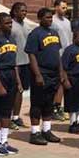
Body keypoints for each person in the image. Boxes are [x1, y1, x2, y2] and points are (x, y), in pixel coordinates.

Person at [25, 8, 65, 145]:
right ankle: (35, 132)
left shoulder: (54, 33)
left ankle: (46, 130)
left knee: (49, 103)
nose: (50, 20)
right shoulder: (35, 34)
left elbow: (57, 54)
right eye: (47, 17)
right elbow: (32, 55)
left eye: (50, 18)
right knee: (37, 103)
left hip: (54, 74)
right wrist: (37, 74)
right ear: (40, 18)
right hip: (41, 73)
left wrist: (61, 71)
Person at [0, 13, 21, 157]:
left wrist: (18, 81)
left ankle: (5, 141)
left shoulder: (12, 39)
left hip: (11, 76)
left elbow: (14, 64)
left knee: (8, 111)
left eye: (10, 23)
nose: (10, 25)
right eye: (7, 23)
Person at [9, 2, 31, 130]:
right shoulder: (11, 25)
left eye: (25, 11)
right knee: (13, 91)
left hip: (25, 62)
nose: (24, 13)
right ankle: (9, 117)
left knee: (20, 91)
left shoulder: (26, 25)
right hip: (14, 64)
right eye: (22, 11)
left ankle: (16, 117)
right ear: (15, 12)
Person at [62, 29, 79, 133]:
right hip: (73, 78)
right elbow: (64, 67)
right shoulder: (70, 50)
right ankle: (72, 124)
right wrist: (65, 80)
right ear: (74, 39)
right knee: (73, 103)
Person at [51, 0, 73, 121]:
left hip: (67, 54)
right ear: (56, 7)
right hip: (57, 55)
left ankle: (59, 106)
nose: (65, 10)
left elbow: (69, 37)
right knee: (59, 82)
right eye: (63, 7)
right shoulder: (52, 21)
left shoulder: (67, 21)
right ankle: (55, 107)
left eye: (66, 7)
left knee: (64, 82)